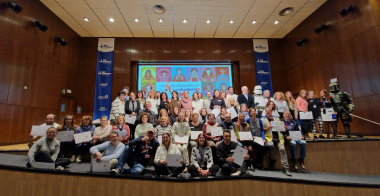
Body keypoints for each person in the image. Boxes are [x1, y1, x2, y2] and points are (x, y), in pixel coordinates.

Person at [262, 107, 291, 176]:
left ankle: (286, 167)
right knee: (270, 145)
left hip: (278, 136)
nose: (268, 112)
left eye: (269, 111)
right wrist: (267, 128)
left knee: (282, 149)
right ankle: (272, 161)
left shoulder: (277, 119)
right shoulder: (263, 120)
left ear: (271, 111)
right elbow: (262, 129)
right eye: (266, 111)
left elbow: (282, 129)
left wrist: (284, 128)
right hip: (269, 137)